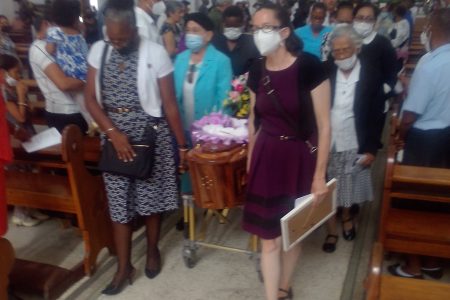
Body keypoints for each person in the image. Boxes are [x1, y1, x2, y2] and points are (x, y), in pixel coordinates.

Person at [85, 0, 187, 295]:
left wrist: (182, 146)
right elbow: (91, 99)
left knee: (150, 199)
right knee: (119, 205)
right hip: (112, 133)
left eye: (123, 38)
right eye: (112, 38)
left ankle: (152, 250)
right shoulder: (98, 50)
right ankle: (123, 268)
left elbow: (169, 104)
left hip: (149, 135)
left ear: (135, 29)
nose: (117, 44)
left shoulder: (155, 53)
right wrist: (113, 133)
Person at [242, 3, 330, 300]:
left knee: (293, 234)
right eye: (254, 28)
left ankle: (283, 287)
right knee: (268, 239)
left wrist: (319, 176)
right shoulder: (256, 69)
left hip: (299, 157)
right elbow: (254, 120)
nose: (258, 34)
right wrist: (250, 163)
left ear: (283, 31)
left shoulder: (309, 66)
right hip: (267, 156)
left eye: (265, 28)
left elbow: (324, 125)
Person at [388, 8, 450, 280]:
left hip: (425, 140)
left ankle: (413, 265)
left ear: (433, 30)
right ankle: (433, 261)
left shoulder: (429, 63)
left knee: (413, 199)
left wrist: (399, 134)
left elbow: (411, 114)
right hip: (446, 137)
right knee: (441, 200)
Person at [321, 25, 385, 253]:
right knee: (327, 185)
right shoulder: (326, 70)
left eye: (346, 50)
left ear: (357, 48)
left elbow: (377, 115)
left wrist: (371, 149)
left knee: (348, 184)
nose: (341, 55)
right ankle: (330, 229)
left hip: (354, 138)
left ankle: (347, 217)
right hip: (328, 139)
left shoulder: (370, 74)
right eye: (336, 51)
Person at [174, 12, 232, 193]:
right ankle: (189, 203)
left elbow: (225, 100)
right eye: (187, 30)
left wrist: (214, 131)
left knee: (208, 173)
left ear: (208, 35)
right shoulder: (181, 58)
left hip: (208, 130)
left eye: (195, 30)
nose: (190, 35)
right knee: (187, 168)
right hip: (183, 126)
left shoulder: (221, 61)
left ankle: (210, 203)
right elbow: (174, 94)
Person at [29, 16, 89, 134]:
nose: (61, 29)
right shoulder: (39, 47)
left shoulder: (58, 41)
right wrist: (90, 82)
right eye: (56, 25)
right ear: (45, 24)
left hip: (77, 108)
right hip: (64, 113)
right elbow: (64, 84)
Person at [45, 0, 88, 82]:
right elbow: (85, 53)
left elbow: (49, 50)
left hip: (66, 72)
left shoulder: (54, 31)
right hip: (83, 72)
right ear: (76, 16)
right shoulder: (79, 35)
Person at [212, 5, 260, 76]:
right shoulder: (215, 42)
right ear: (223, 24)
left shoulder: (251, 43)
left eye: (235, 26)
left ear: (242, 24)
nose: (232, 29)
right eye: (228, 26)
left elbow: (256, 68)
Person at [389, 4, 411, 71]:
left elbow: (398, 41)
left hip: (398, 53)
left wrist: (387, 42)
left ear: (396, 13)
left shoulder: (403, 24)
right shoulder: (395, 22)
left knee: (396, 71)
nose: (392, 13)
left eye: (393, 11)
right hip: (392, 51)